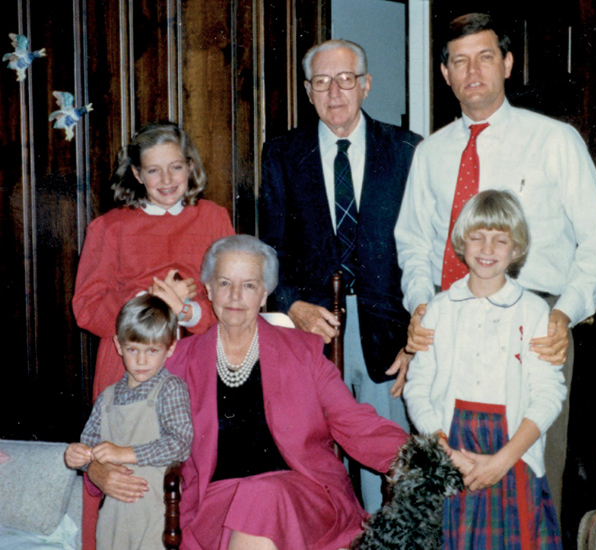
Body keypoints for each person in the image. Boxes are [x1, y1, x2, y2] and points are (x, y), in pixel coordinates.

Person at [394, 13, 596, 517]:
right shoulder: (430, 153)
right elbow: (412, 243)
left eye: (486, 56)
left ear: (508, 64)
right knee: (444, 477)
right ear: (445, 73)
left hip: (535, 324)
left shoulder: (555, 141)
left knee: (531, 479)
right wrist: (420, 307)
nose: (473, 70)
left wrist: (566, 311)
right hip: (449, 322)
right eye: (460, 60)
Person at [86, 235, 409, 550]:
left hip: (303, 492)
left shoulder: (302, 352)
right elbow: (126, 421)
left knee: (264, 495)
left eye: (249, 285)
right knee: (259, 499)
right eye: (225, 283)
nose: (235, 296)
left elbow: (354, 423)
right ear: (208, 289)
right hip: (216, 504)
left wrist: (430, 456)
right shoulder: (179, 359)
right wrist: (96, 469)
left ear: (265, 293)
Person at [260, 39, 422, 512]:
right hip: (309, 330)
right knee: (314, 460)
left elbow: (427, 253)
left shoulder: (408, 150)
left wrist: (416, 337)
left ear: (366, 85)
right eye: (322, 82)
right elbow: (270, 248)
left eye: (346, 79)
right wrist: (291, 303)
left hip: (388, 339)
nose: (335, 92)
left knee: (385, 463)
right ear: (308, 91)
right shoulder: (283, 154)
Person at [72, 121, 234, 549]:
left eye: (176, 167)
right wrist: (151, 304)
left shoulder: (214, 217)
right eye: (154, 170)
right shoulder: (109, 227)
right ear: (137, 174)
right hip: (130, 362)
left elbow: (234, 297)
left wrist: (189, 310)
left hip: (194, 357)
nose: (167, 181)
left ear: (191, 167)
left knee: (197, 469)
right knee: (124, 477)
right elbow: (86, 306)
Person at [403, 190, 566, 549]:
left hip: (513, 449)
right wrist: (450, 455)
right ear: (462, 243)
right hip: (449, 443)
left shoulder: (534, 311)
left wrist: (504, 460)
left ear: (517, 247)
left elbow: (548, 393)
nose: (487, 249)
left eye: (500, 240)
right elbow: (417, 388)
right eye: (477, 237)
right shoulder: (440, 309)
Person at [65, 294, 193, 550]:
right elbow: (89, 448)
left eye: (152, 350)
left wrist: (123, 452)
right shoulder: (107, 398)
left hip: (156, 512)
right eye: (133, 349)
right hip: (113, 516)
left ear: (170, 348)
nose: (142, 360)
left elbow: (180, 444)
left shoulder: (170, 388)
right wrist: (77, 455)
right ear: (118, 345)